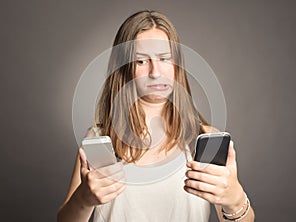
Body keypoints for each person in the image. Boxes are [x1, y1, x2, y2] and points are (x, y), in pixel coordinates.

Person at [57, 10, 255, 222]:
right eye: (141, 61)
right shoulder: (100, 138)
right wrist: (83, 200)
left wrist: (234, 199)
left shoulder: (204, 138)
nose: (155, 71)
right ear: (124, 68)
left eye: (164, 59)